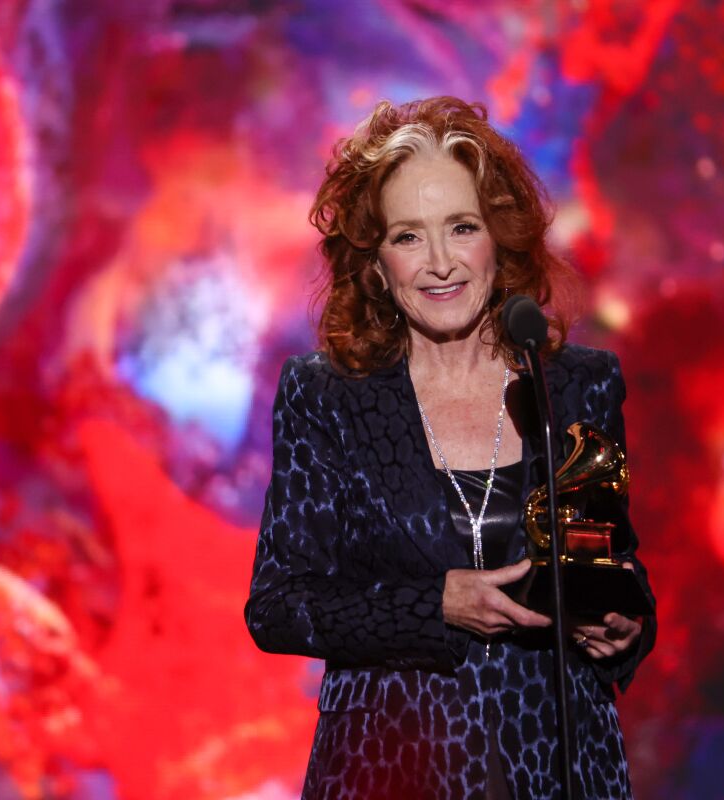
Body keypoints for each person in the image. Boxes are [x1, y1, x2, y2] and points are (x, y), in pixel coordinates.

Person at [245, 96, 657, 799]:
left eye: (461, 227)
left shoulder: (579, 387)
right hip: (393, 763)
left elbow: (611, 562)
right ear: (375, 264)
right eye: (408, 237)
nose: (439, 263)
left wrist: (626, 624)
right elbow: (279, 605)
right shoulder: (327, 398)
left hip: (558, 761)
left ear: (499, 237)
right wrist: (436, 605)